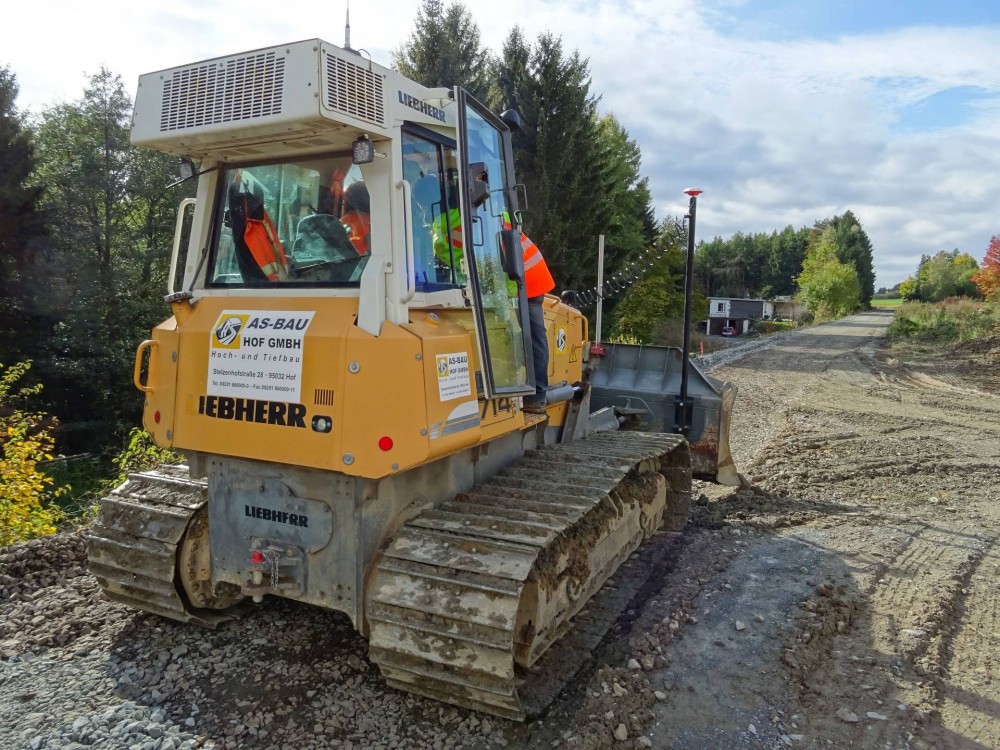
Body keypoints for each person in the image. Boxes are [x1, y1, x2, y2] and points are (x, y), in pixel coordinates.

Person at [520, 233, 556, 414]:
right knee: (535, 338)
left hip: (526, 282)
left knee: (533, 338)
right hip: (532, 277)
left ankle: (536, 395)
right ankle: (536, 395)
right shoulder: (499, 215)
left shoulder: (458, 223)